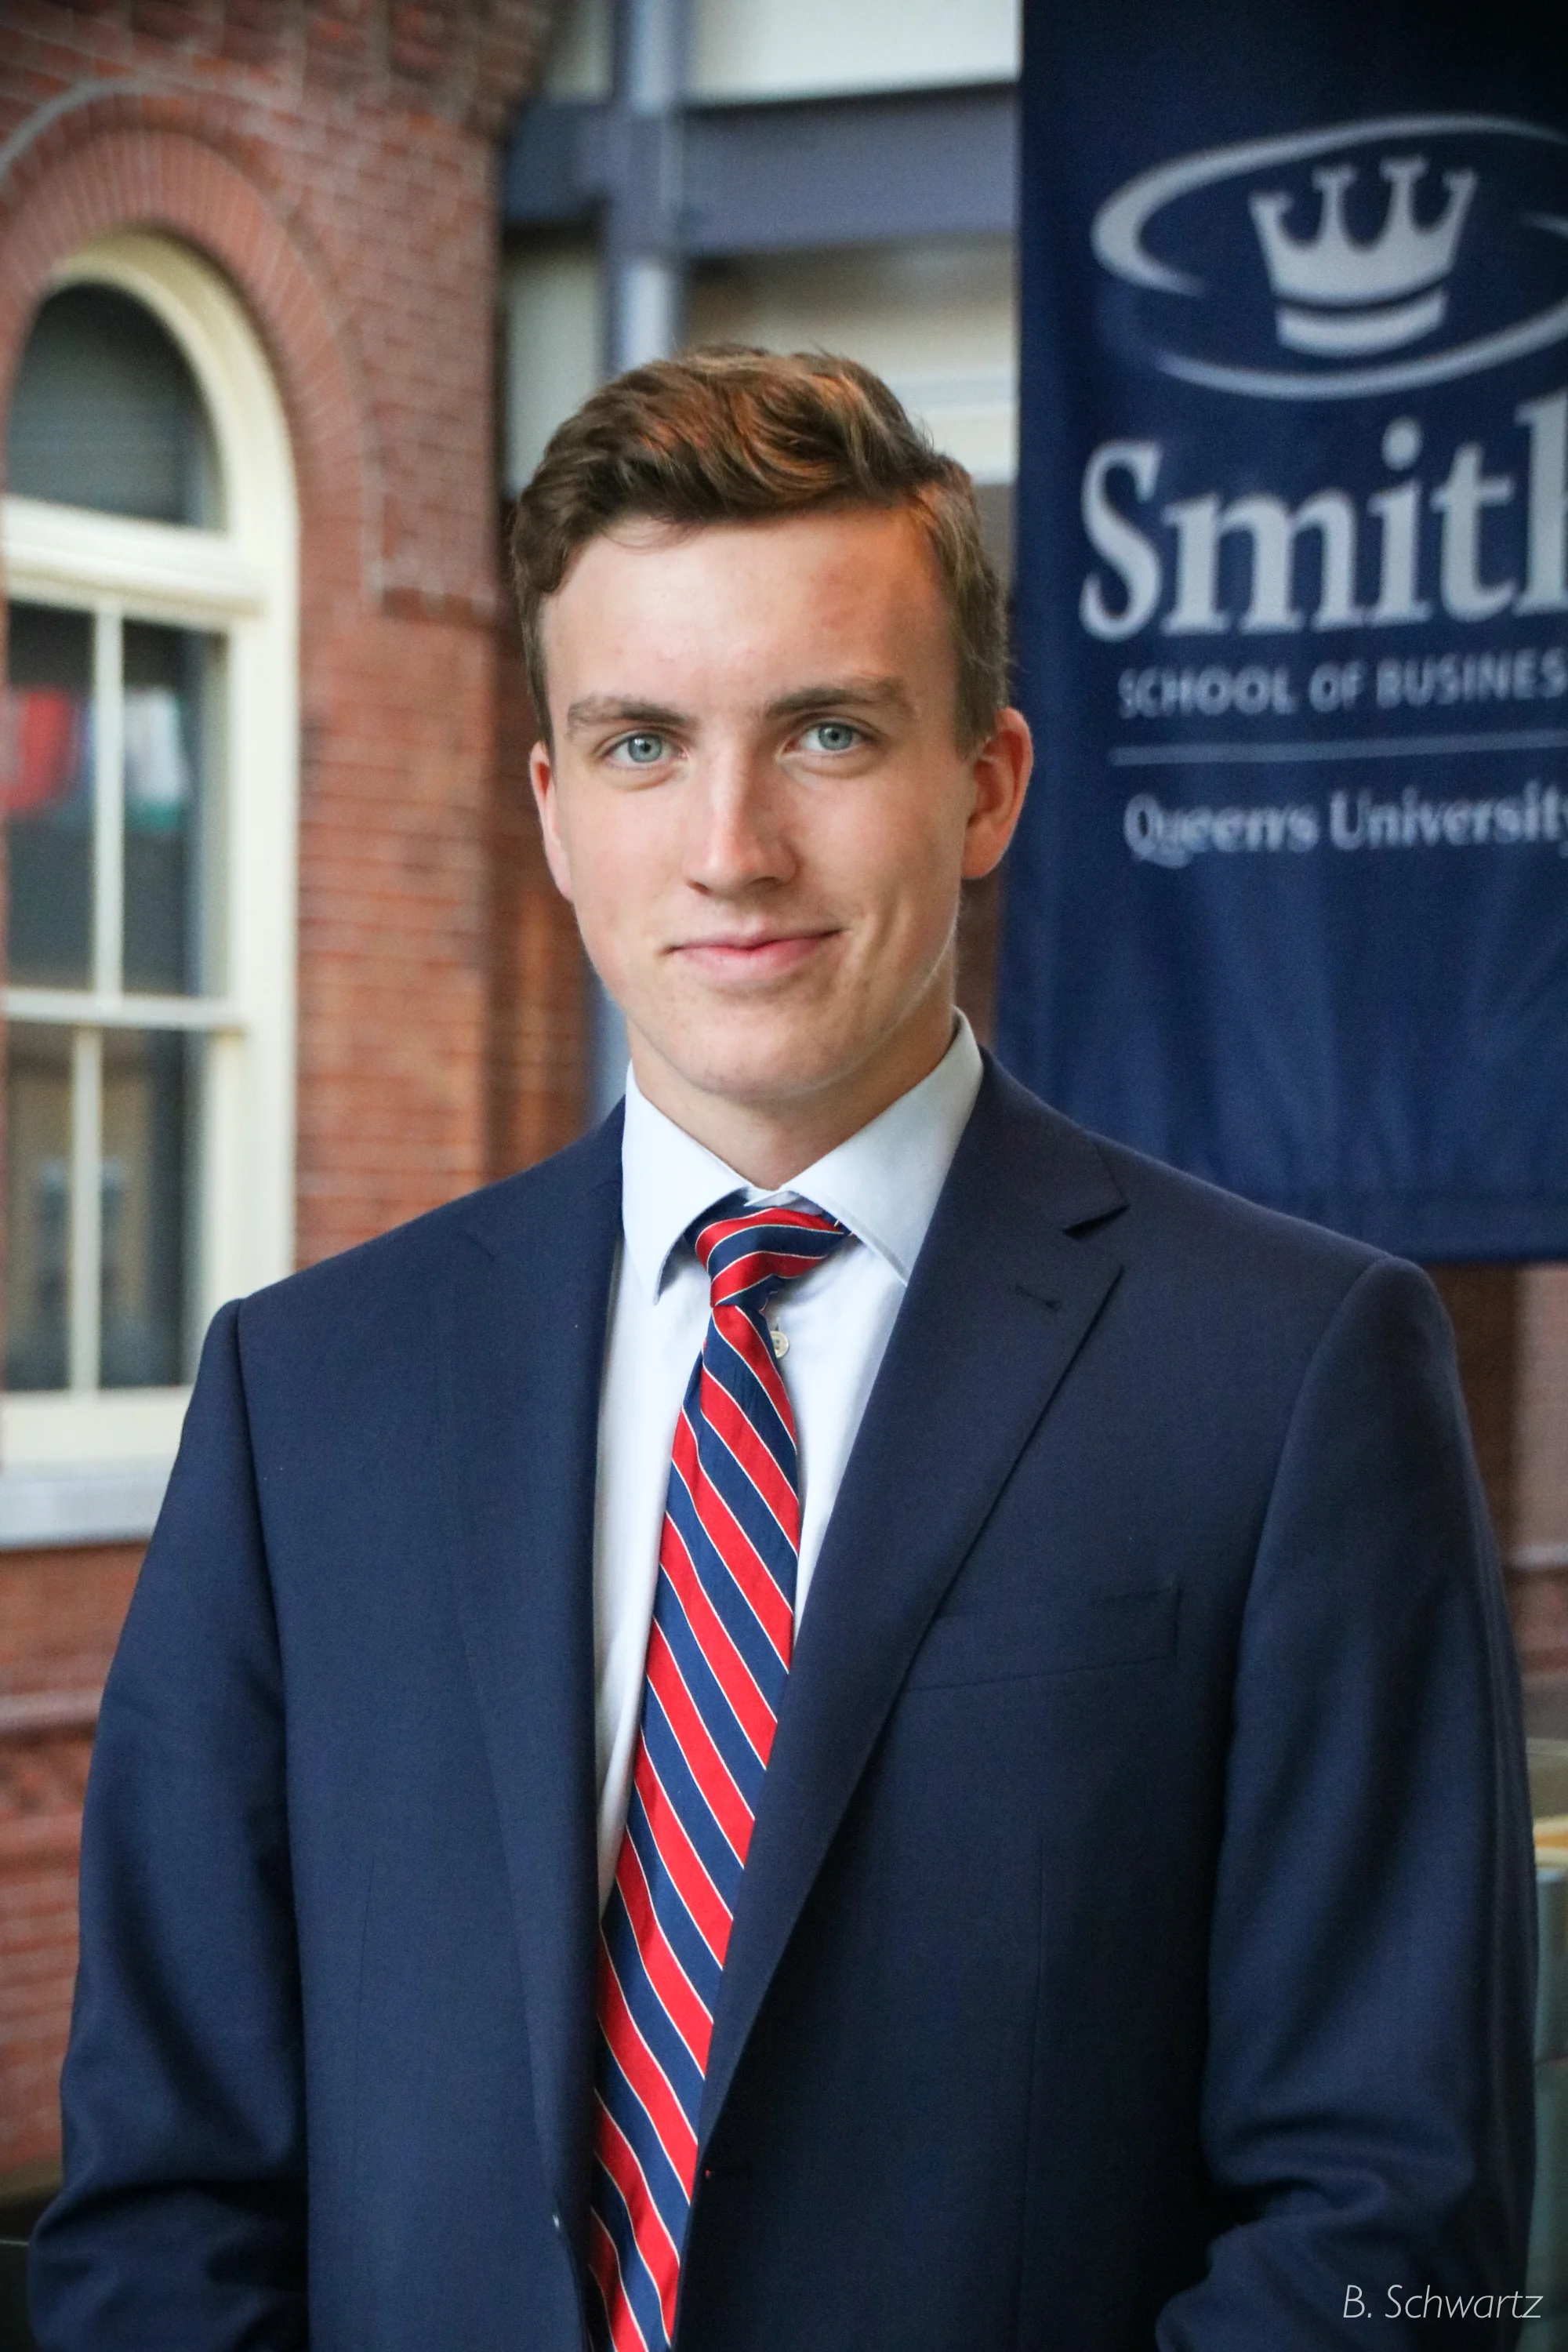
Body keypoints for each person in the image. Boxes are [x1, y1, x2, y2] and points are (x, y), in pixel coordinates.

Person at [31, 350, 1535, 2352]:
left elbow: (1404, 2233)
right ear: (556, 810)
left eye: (826, 733)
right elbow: (164, 2208)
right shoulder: (308, 1401)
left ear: (986, 783)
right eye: (644, 744)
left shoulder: (1292, 1377)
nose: (730, 846)